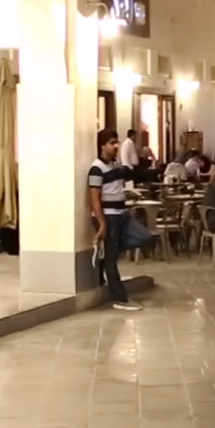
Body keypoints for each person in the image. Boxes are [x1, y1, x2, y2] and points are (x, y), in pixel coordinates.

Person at [87, 131, 140, 312]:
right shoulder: (96, 169)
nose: (116, 146)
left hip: (121, 213)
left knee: (144, 237)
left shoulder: (116, 165)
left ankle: (109, 254)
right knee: (111, 257)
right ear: (102, 145)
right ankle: (120, 298)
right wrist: (102, 223)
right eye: (111, 143)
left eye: (116, 142)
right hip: (109, 215)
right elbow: (94, 199)